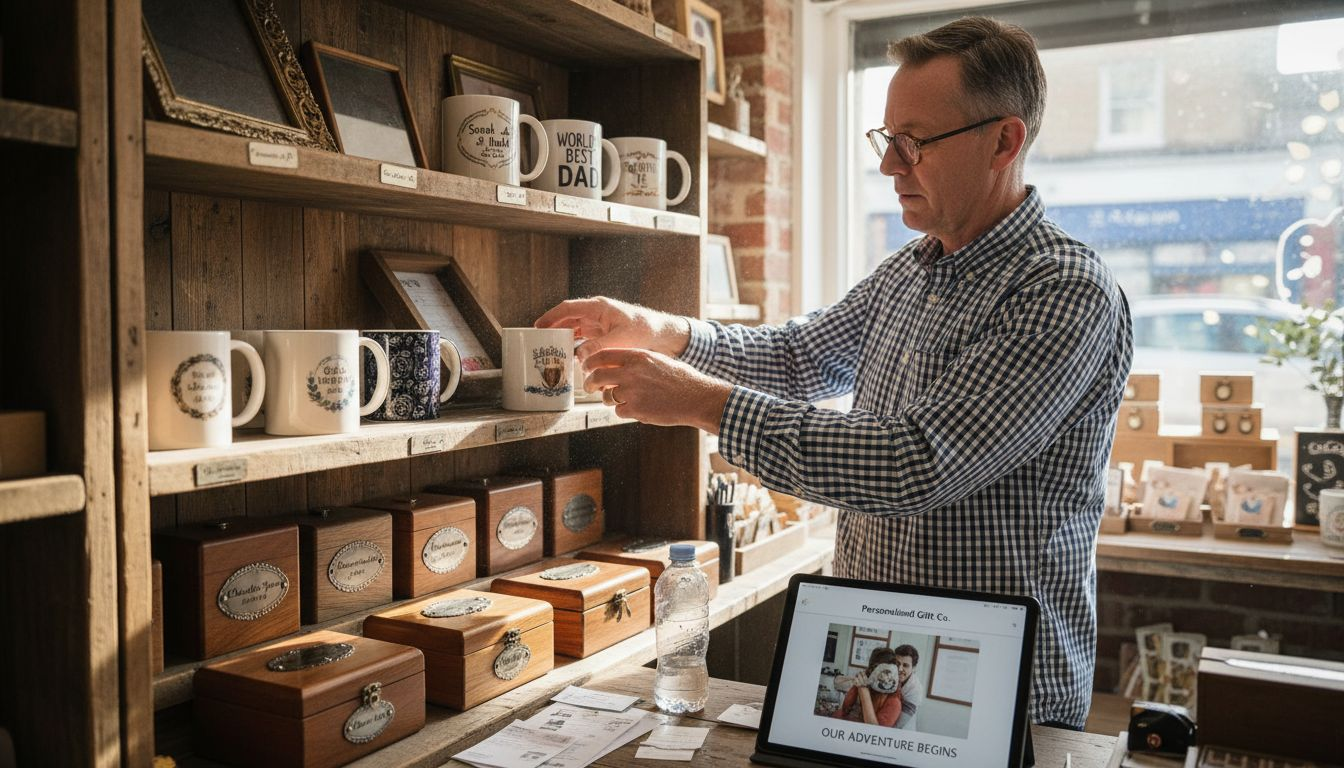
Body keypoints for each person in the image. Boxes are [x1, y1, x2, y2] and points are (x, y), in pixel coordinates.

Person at [536, 16, 1132, 729]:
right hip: (877, 660)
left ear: (1005, 140)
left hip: (993, 695)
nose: (890, 166)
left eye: (915, 142)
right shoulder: (910, 273)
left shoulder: (1062, 289)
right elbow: (796, 357)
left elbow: (916, 463)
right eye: (887, 141)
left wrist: (705, 405)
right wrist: (664, 330)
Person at [833, 647, 904, 727]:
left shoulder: (893, 702)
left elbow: (875, 732)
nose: (885, 678)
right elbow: (845, 709)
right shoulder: (861, 683)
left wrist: (864, 692)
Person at [891, 644, 923, 729]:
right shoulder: (890, 674)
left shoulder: (915, 690)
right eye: (897, 663)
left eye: (905, 665)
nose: (900, 669)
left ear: (914, 668)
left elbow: (898, 725)